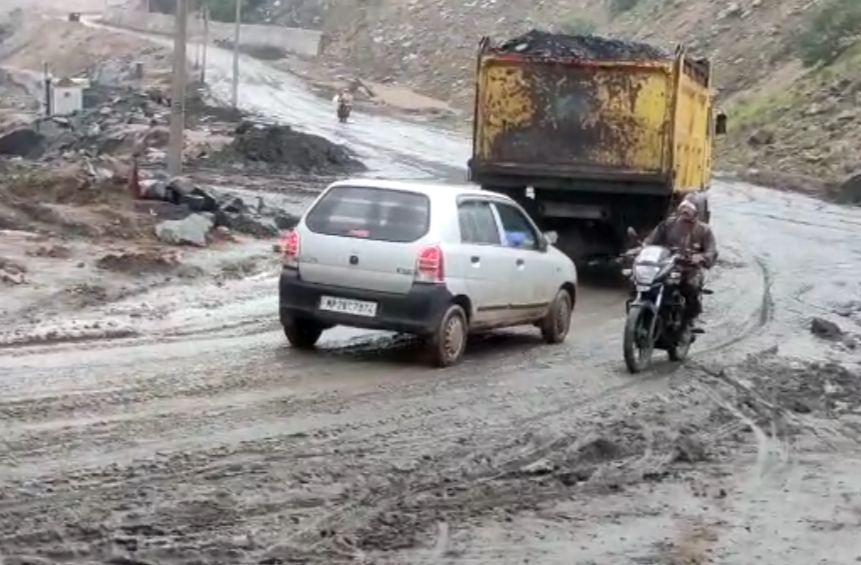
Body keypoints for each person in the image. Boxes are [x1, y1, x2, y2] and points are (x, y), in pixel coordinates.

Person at [643, 199, 717, 327]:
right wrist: (642, 249)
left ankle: (687, 324)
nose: (684, 211)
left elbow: (711, 251)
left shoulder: (704, 230)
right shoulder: (668, 224)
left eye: (688, 209)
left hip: (690, 269)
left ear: (696, 212)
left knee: (690, 288)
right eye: (683, 207)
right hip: (666, 266)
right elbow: (651, 240)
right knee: (646, 284)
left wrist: (701, 257)